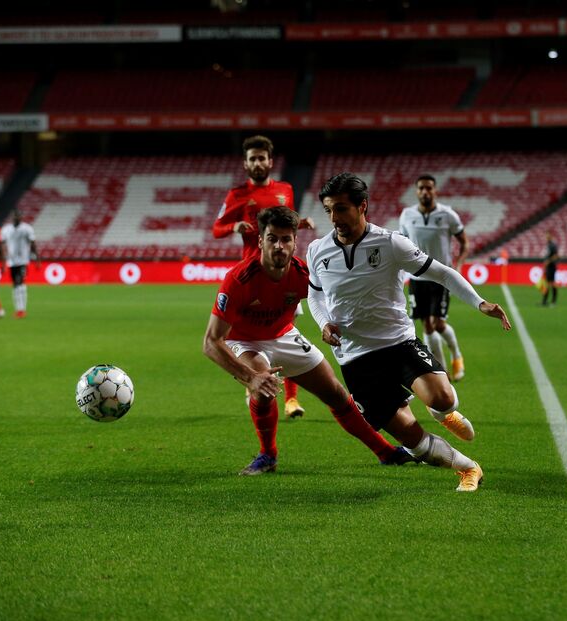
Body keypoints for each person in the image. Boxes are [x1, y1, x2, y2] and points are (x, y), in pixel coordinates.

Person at [307, 173, 512, 492]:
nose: (335, 218)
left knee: (442, 397)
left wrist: (480, 303)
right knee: (414, 442)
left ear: (363, 207)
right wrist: (323, 323)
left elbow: (442, 273)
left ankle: (443, 412)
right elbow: (315, 295)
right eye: (329, 210)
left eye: (342, 209)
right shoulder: (317, 250)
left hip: (398, 343)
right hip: (355, 359)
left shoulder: (390, 243)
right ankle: (468, 468)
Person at [203, 207, 412, 475]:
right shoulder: (239, 279)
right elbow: (211, 342)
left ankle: (386, 452)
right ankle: (268, 455)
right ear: (260, 241)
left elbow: (332, 298)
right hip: (246, 341)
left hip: (285, 335)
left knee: (336, 393)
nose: (279, 246)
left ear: (294, 241)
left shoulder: (303, 273)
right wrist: (249, 377)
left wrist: (332, 323)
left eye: (286, 239)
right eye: (272, 239)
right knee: (263, 387)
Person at [211, 135, 315, 420]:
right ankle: (255, 376)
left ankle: (292, 400)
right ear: (245, 163)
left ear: (271, 161)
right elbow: (216, 228)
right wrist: (234, 227)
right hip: (252, 276)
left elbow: (287, 220)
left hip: (284, 275)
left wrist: (300, 222)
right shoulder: (237, 195)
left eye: (262, 158)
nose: (258, 163)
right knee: (255, 335)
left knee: (287, 331)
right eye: (252, 158)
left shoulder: (285, 190)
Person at [398, 174, 468, 382]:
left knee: (438, 324)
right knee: (426, 325)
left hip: (440, 277)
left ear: (435, 191)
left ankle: (456, 355)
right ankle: (442, 369)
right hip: (417, 278)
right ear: (417, 191)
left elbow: (464, 242)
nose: (425, 192)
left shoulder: (447, 214)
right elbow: (401, 243)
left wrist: (459, 265)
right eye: (421, 188)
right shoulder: (407, 215)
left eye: (429, 188)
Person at [0, 209, 40, 318]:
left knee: (20, 282)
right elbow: (3, 246)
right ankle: (19, 309)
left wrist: (37, 259)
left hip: (23, 261)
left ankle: (21, 309)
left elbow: (33, 244)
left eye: (18, 216)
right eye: (14, 216)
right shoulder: (6, 229)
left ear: (21, 217)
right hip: (11, 261)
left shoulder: (27, 228)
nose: (16, 218)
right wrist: (3, 262)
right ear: (11, 217)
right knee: (15, 284)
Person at [541, 230, 559, 307]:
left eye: (548, 236)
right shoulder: (548, 245)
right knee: (548, 284)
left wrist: (548, 261)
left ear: (551, 236)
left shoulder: (552, 245)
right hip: (548, 267)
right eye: (546, 236)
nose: (547, 237)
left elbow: (556, 256)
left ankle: (552, 301)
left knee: (551, 284)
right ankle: (545, 301)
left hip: (552, 267)